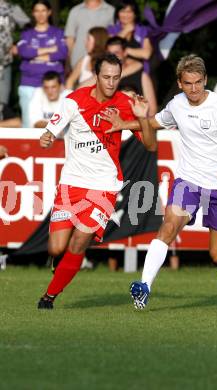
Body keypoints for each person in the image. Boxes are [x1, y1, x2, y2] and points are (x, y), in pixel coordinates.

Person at [105, 54, 217, 309]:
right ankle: (145, 287)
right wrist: (122, 125)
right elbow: (154, 122)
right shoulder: (177, 104)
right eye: (188, 83)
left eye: (198, 82)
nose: (194, 88)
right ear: (180, 83)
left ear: (205, 80)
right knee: (168, 227)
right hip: (189, 182)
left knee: (216, 254)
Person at [37, 53, 157, 309]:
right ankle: (60, 265)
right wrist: (47, 137)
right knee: (57, 249)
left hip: (104, 186)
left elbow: (150, 144)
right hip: (72, 183)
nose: (111, 83)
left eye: (116, 77)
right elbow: (50, 130)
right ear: (95, 74)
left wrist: (142, 117)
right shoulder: (74, 101)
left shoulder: (126, 103)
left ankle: (49, 297)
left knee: (80, 242)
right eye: (106, 77)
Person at [17, 0, 67, 128]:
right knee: (29, 124)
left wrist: (34, 54)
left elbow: (62, 53)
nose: (40, 14)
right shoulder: (27, 34)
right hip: (30, 84)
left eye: (43, 10)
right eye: (37, 11)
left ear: (49, 12)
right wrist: (50, 50)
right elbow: (23, 52)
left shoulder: (58, 33)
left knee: (56, 124)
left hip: (54, 85)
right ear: (33, 13)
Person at [106, 36, 157, 116]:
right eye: (109, 53)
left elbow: (152, 112)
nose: (112, 57)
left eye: (116, 53)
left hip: (136, 123)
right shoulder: (103, 76)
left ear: (125, 53)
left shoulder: (141, 76)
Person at [65, 0, 114, 68]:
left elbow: (113, 37)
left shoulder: (111, 11)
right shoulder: (75, 11)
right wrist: (71, 59)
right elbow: (70, 38)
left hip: (102, 62)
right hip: (77, 60)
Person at [107, 0, 153, 73]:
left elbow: (146, 54)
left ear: (135, 14)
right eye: (122, 11)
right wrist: (125, 31)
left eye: (129, 12)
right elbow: (110, 48)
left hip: (140, 71)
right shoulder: (111, 29)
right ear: (117, 14)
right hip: (116, 71)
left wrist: (126, 50)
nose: (126, 15)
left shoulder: (143, 30)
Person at [0, 0, 29, 108]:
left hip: (4, 63)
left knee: (2, 103)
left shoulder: (11, 8)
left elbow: (28, 27)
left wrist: (18, 44)